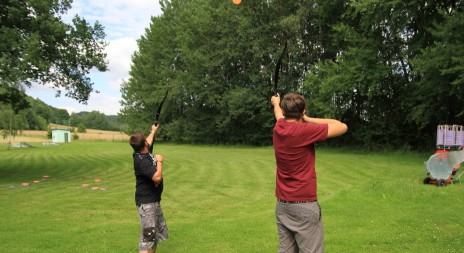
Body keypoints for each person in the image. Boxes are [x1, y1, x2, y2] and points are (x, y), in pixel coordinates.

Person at [270, 93, 348, 253]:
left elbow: (278, 115)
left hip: (283, 205)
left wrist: (275, 103)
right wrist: (308, 118)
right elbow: (341, 126)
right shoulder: (305, 130)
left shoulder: (279, 128)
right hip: (304, 205)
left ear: (284, 112)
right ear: (303, 111)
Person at [129, 124, 168, 253]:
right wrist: (159, 161)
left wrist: (153, 131)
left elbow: (149, 140)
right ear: (144, 143)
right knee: (148, 239)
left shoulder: (142, 152)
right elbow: (157, 177)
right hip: (147, 204)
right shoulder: (142, 160)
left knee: (154, 236)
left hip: (153, 202)